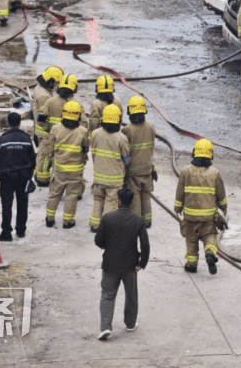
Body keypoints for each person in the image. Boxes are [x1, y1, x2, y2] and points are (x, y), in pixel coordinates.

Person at [94, 188, 149, 341]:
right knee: (131, 295)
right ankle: (130, 323)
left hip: (110, 264)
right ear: (131, 202)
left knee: (107, 295)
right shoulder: (138, 219)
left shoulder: (107, 218)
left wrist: (109, 247)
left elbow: (98, 240)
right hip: (130, 265)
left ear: (118, 201)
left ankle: (105, 327)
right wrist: (142, 263)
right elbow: (145, 244)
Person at [174, 139, 227, 274]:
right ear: (211, 155)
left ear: (194, 153)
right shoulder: (215, 173)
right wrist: (224, 207)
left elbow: (180, 193)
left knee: (191, 240)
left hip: (190, 216)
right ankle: (209, 253)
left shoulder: (185, 171)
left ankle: (191, 264)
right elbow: (220, 194)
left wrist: (177, 209)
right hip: (208, 216)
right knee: (209, 235)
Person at [0, 112, 36, 241]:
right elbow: (32, 158)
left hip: (7, 177)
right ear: (20, 122)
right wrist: (30, 174)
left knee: (7, 205)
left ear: (8, 123)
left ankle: (6, 232)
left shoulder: (3, 139)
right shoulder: (26, 138)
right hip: (23, 177)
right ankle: (20, 230)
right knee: (22, 204)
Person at [45, 100, 89, 229]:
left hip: (59, 169)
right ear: (78, 115)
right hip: (76, 171)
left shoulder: (56, 128)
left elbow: (50, 146)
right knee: (72, 196)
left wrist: (51, 158)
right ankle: (67, 222)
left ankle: (49, 219)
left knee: (55, 193)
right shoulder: (83, 131)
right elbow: (86, 148)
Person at [88, 105, 129, 232]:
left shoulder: (95, 134)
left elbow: (93, 151)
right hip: (114, 179)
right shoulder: (121, 138)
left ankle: (95, 225)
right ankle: (107, 227)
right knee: (111, 203)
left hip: (99, 176)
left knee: (98, 199)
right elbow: (126, 159)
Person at [36, 73, 77, 187]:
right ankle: (68, 184)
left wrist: (45, 132)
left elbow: (40, 118)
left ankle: (42, 179)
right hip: (68, 139)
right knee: (66, 161)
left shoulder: (50, 101)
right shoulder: (76, 105)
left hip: (50, 136)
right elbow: (83, 124)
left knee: (44, 157)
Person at [123, 96, 157, 227]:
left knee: (135, 196)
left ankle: (136, 221)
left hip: (132, 171)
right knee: (146, 196)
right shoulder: (151, 126)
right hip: (148, 168)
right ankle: (147, 220)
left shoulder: (127, 129)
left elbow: (124, 151)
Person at [32, 66, 64, 185]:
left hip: (42, 129)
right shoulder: (44, 96)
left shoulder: (41, 88)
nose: (56, 85)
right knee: (45, 155)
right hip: (45, 131)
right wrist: (49, 133)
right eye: (56, 83)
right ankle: (42, 178)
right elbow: (44, 117)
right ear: (50, 82)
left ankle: (38, 173)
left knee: (42, 153)